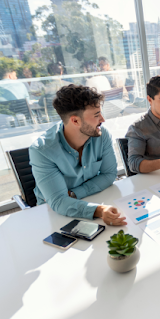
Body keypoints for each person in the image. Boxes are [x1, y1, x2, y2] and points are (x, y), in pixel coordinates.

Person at [29, 84, 126, 225]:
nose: (103, 120)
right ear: (75, 120)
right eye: (97, 115)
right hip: (52, 212)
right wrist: (98, 210)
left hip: (93, 198)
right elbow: (59, 201)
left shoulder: (102, 135)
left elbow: (109, 174)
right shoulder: (42, 151)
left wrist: (75, 194)